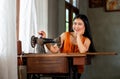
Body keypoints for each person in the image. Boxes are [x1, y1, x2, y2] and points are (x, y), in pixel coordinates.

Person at [38, 14, 95, 79]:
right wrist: (45, 39)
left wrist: (78, 36)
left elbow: (82, 51)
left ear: (85, 26)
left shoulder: (87, 40)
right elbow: (54, 50)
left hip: (76, 71)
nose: (76, 26)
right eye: (75, 23)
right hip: (61, 68)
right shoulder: (65, 35)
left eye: (80, 24)